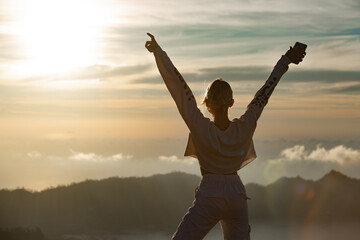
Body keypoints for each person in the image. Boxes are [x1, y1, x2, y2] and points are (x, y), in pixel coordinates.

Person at [145, 33, 306, 240]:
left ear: (207, 104)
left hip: (209, 195)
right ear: (231, 103)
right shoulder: (245, 126)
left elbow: (179, 88)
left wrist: (158, 52)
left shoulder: (199, 126)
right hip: (237, 195)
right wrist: (286, 60)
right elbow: (265, 93)